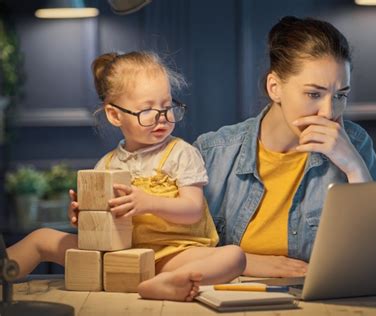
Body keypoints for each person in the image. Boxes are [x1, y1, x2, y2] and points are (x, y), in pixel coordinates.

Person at [7, 51, 246, 302]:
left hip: (171, 254)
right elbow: (101, 224)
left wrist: (149, 202)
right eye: (147, 110)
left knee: (233, 256)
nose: (162, 117)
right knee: (41, 238)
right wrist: (83, 216)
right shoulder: (106, 164)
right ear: (114, 115)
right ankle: (5, 273)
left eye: (167, 107)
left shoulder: (181, 153)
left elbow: (193, 209)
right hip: (118, 254)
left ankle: (163, 282)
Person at [193, 16, 376, 278]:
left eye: (340, 95)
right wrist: (245, 262)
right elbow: (173, 249)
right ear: (275, 88)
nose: (328, 112)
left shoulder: (355, 144)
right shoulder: (213, 152)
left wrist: (354, 167)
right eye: (314, 94)